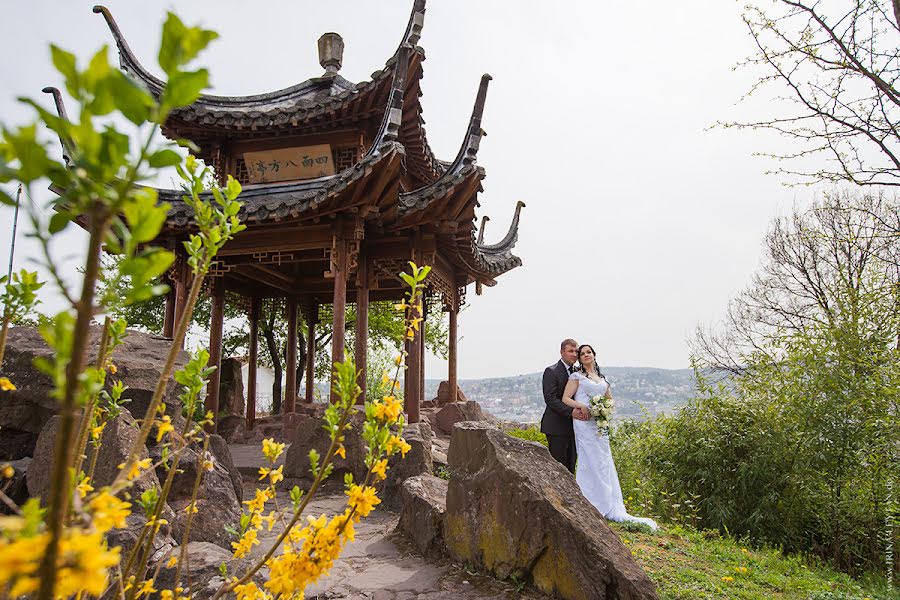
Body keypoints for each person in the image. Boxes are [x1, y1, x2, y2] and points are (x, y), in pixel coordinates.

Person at [562, 343, 658, 530]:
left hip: (599, 425)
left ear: (594, 355)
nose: (586, 355)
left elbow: (610, 400)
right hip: (583, 423)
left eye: (588, 352)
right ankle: (591, 502)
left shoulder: (602, 379)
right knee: (589, 461)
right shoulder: (577, 377)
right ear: (580, 359)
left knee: (603, 461)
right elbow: (566, 398)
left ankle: (608, 502)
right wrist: (581, 406)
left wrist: (604, 409)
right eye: (582, 354)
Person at [541, 338, 589, 473]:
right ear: (562, 352)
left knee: (572, 465)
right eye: (570, 351)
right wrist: (571, 411)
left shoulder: (578, 373)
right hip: (556, 427)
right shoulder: (551, 371)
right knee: (559, 468)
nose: (574, 354)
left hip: (574, 427)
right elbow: (550, 399)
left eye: (576, 351)